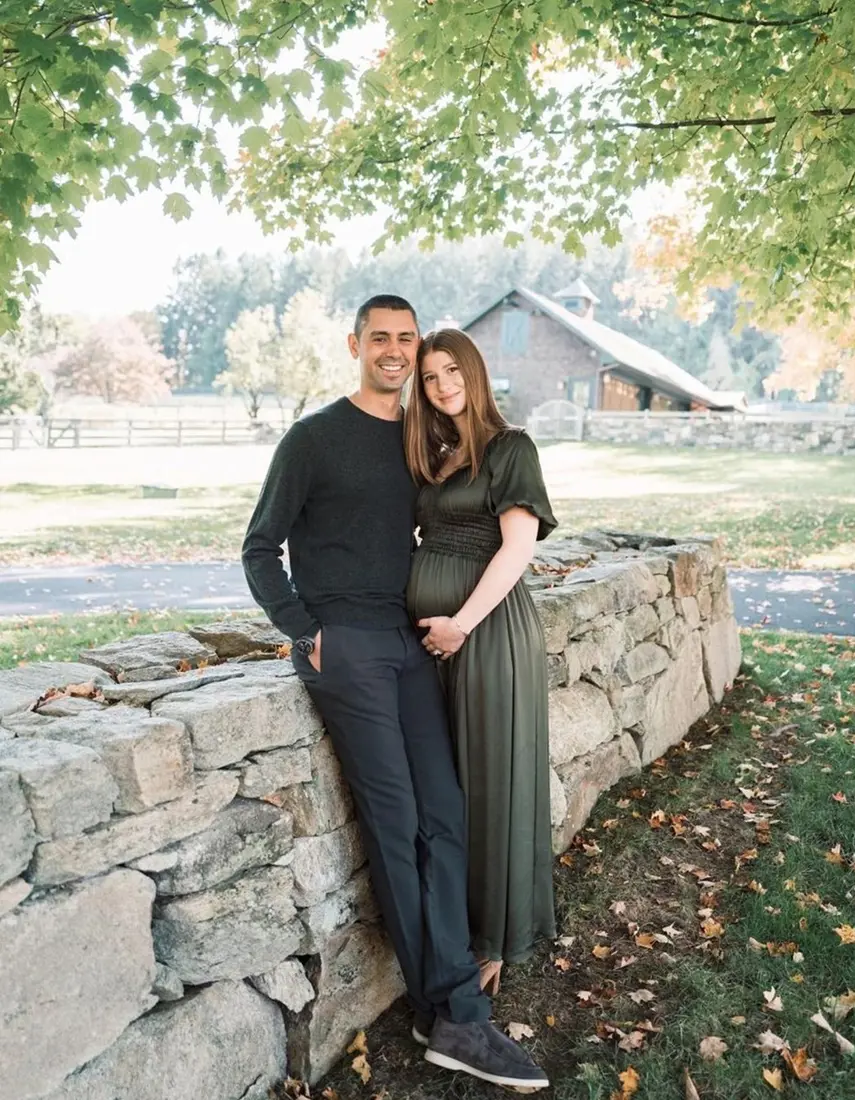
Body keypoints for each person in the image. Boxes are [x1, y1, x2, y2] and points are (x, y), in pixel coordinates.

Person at [242, 295, 549, 1092]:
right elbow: (258, 547)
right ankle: (455, 1014)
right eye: (379, 337)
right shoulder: (313, 439)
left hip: (411, 644)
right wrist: (305, 630)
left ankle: (443, 998)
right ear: (355, 345)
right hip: (347, 647)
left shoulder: (420, 440)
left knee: (444, 814)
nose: (394, 350)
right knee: (398, 823)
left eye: (406, 339)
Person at [404, 328, 558, 995]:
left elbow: (517, 548)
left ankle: (492, 938)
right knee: (450, 788)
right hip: (437, 643)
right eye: (430, 376)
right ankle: (456, 922)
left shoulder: (510, 448)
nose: (443, 386)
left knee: (490, 783)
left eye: (452, 371)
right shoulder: (436, 457)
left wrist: (460, 624)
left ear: (475, 371)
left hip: (487, 635)